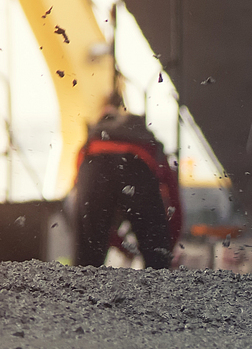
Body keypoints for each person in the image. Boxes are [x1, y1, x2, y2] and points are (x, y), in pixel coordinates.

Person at [71, 92, 181, 269]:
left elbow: (86, 211)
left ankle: (79, 294)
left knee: (86, 265)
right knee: (157, 263)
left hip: (94, 169)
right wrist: (165, 250)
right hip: (138, 168)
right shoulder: (147, 141)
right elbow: (174, 202)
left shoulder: (89, 145)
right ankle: (160, 288)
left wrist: (120, 245)